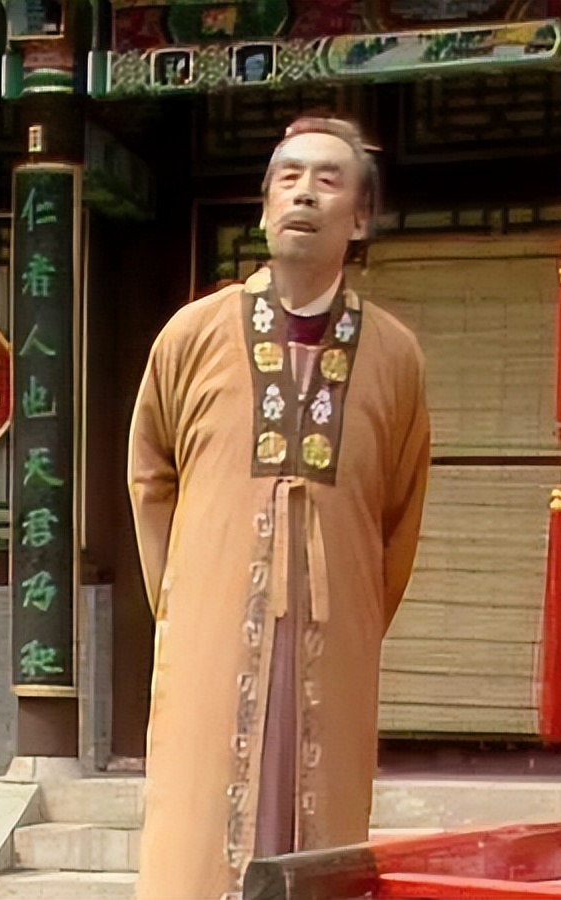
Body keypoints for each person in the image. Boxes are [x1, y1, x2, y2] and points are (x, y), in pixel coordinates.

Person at [128, 116, 431, 900]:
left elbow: (399, 512)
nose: (304, 194)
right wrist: (185, 603)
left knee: (321, 834)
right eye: (287, 178)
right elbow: (150, 478)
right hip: (211, 633)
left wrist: (355, 614)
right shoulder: (192, 336)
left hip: (335, 640)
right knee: (198, 837)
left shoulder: (395, 356)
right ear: (264, 207)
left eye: (328, 180)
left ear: (359, 218)